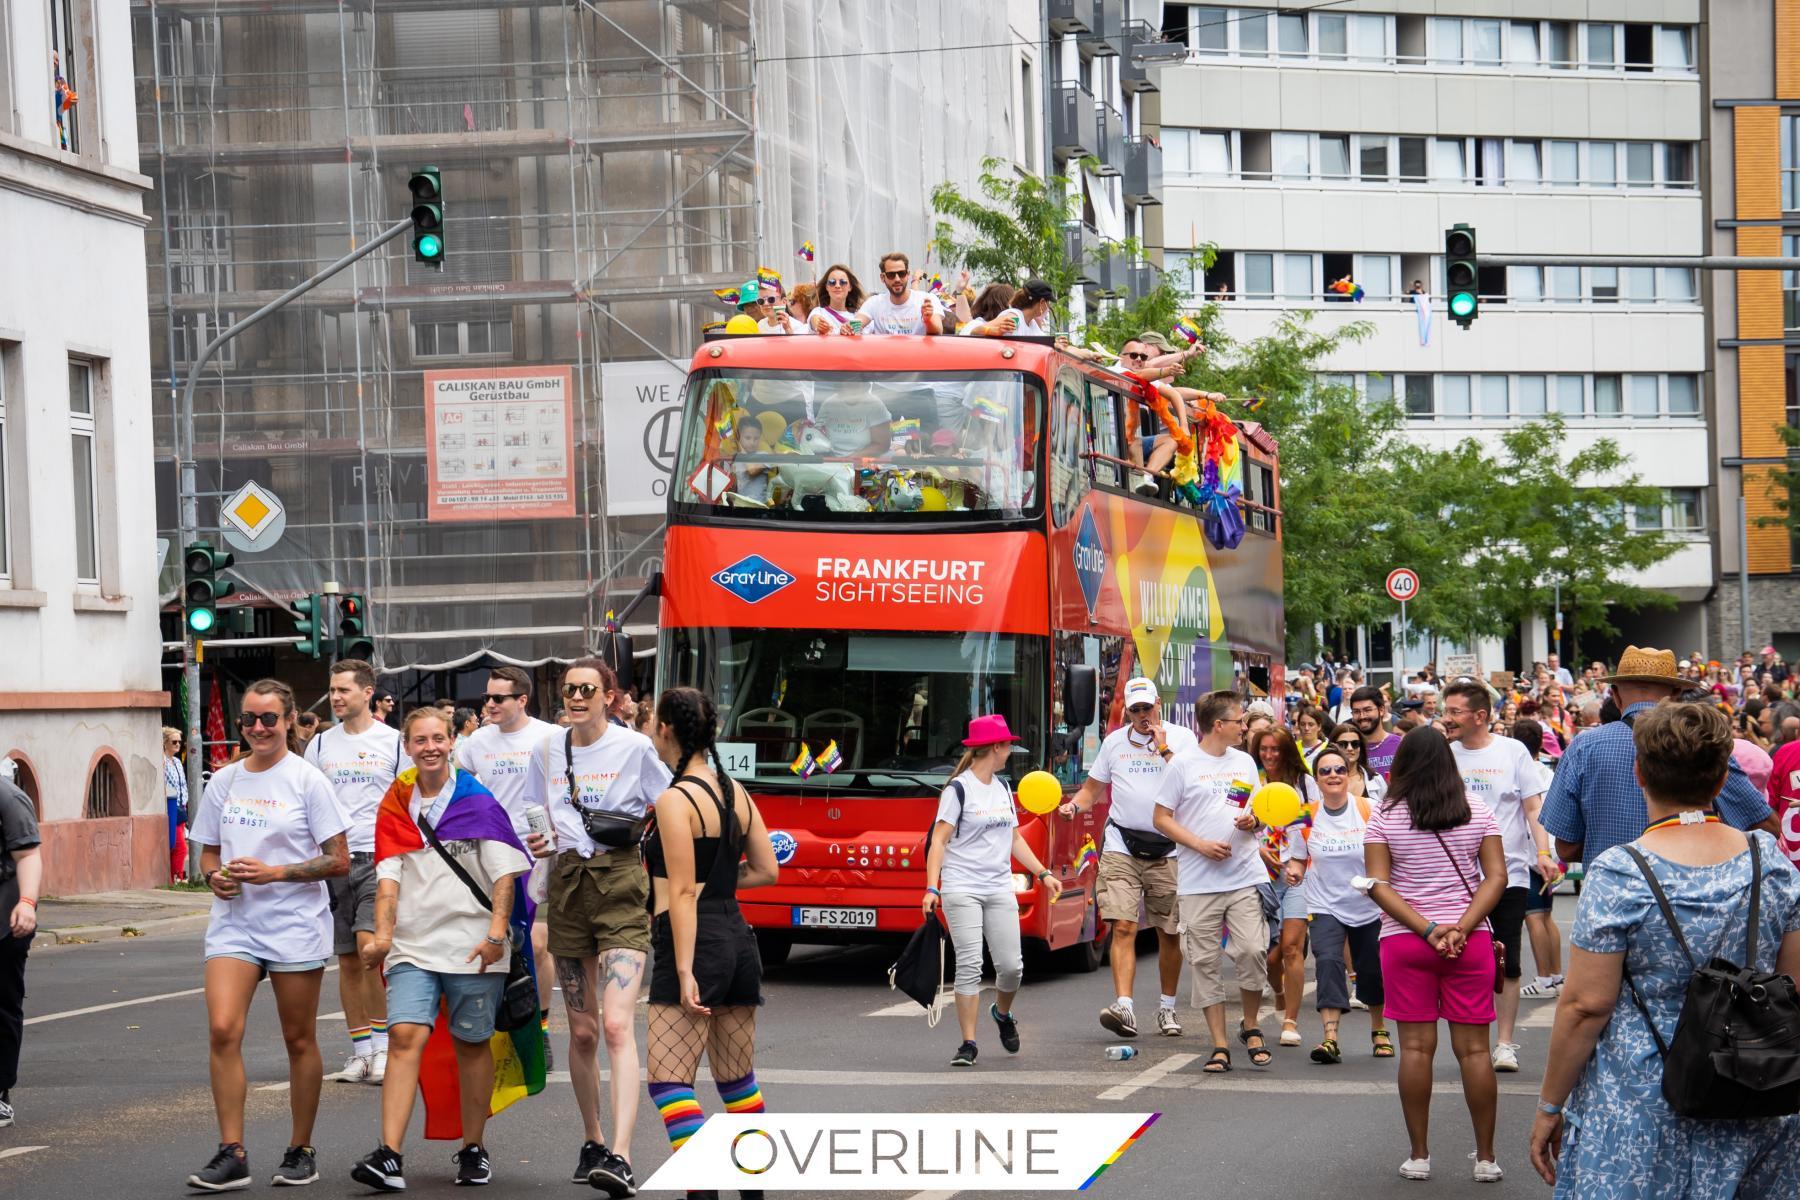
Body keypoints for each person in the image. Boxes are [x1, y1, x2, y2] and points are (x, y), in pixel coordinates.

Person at [1529, 702, 1800, 1197]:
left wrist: (1551, 1104)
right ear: (1721, 781)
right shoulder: (1773, 866)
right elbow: (1793, 986)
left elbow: (1586, 1005)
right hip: (1752, 1093)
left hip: (1640, 1099)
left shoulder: (1620, 873)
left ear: (1640, 774)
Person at [352, 708, 533, 1192]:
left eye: (438, 738)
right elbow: (387, 881)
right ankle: (389, 1154)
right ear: (407, 748)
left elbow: (503, 875)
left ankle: (473, 1148)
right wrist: (384, 938)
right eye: (419, 740)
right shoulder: (395, 803)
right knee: (405, 1037)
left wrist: (496, 935)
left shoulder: (477, 800)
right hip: (412, 947)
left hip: (474, 948)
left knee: (472, 1045)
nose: (429, 747)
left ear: (452, 741)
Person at [187, 679, 351, 1191]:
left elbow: (339, 859)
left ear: (288, 720)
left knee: (298, 1039)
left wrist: (275, 874)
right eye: (249, 720)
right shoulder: (225, 781)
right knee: (222, 1029)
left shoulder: (307, 780)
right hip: (235, 925)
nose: (259, 728)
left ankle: (301, 1149)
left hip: (293, 926)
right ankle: (231, 1152)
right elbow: (206, 852)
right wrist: (215, 876)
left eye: (269, 719)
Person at [524, 659, 671, 1196]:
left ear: (610, 696)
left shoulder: (633, 748)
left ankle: (623, 1155)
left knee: (614, 1026)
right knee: (582, 1031)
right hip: (566, 885)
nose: (577, 697)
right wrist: (536, 840)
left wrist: (671, 875)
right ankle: (593, 1138)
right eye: (569, 690)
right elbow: (532, 809)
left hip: (621, 883)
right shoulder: (548, 748)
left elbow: (671, 803)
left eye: (588, 689)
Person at [1362, 726, 1507, 1183]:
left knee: (1416, 1049)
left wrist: (1427, 929)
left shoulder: (1384, 815)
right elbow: (1497, 877)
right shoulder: (1476, 810)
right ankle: (1486, 1158)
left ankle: (1419, 1155)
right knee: (1476, 1052)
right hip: (1470, 942)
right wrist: (1461, 927)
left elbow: (1377, 885)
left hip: (1406, 940)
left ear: (1401, 764)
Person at [641, 689, 780, 1166]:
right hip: (737, 937)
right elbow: (766, 870)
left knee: (669, 1082)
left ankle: (702, 1185)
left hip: (694, 940)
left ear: (665, 730)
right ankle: (754, 1185)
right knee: (738, 1082)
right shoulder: (734, 790)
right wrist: (718, 881)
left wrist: (683, 971)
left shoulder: (675, 799)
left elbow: (680, 893)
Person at [1541, 646, 1775, 866]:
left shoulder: (1582, 747)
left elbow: (1566, 849)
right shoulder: (1701, 739)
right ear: (1675, 694)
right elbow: (1766, 827)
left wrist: (1611, 848)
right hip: (1687, 898)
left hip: (1611, 899)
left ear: (1615, 696)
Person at [1058, 677, 1198, 1039]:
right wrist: (1074, 806)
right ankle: (1125, 1007)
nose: (1141, 715)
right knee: (1122, 925)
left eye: (1146, 708)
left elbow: (1194, 785)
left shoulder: (1182, 739)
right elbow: (1091, 790)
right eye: (1134, 709)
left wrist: (1163, 748)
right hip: (1122, 843)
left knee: (1169, 932)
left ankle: (1167, 1009)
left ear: (1157, 706)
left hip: (1168, 847)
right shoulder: (1114, 743)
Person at [923, 715, 1063, 1067]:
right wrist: (932, 887)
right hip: (961, 887)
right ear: (995, 748)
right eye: (1007, 745)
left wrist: (1043, 873)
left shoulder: (1001, 787)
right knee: (969, 965)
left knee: (1011, 967)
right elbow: (938, 841)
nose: (1010, 751)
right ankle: (968, 1043)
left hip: (999, 887)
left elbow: (1013, 838)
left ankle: (1002, 1014)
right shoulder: (958, 790)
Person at [304, 659, 411, 1086]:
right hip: (335, 860)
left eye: (343, 690)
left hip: (379, 858)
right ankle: (361, 1051)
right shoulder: (320, 746)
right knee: (347, 960)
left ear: (368, 693)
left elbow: (410, 799)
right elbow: (307, 802)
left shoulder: (394, 742)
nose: (335, 697)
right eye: (332, 690)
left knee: (371, 952)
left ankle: (385, 1047)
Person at [1153, 690, 1269, 1073]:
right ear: (1219, 725)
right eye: (1240, 720)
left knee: (1252, 950)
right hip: (1198, 882)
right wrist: (1199, 844)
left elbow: (1250, 808)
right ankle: (1219, 1044)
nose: (1245, 726)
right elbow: (1162, 818)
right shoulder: (1183, 765)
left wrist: (1252, 821)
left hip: (1242, 875)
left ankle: (1250, 1025)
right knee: (1204, 963)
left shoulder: (1244, 763)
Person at [1439, 679, 1548, 1073]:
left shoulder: (1513, 751)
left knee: (1507, 961)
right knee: (1466, 959)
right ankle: (1473, 1040)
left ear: (1480, 716)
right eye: (1445, 710)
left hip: (1509, 873)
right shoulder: (1445, 755)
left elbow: (1533, 808)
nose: (1446, 718)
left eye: (1454, 711)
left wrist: (1544, 852)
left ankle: (1504, 1043)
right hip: (1457, 877)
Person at [457, 666, 561, 1031]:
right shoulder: (477, 743)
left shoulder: (550, 736)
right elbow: (459, 787)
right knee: (500, 939)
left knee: (536, 944)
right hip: (495, 855)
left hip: (540, 853)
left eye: (498, 698)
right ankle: (503, 1022)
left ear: (522, 700)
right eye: (486, 697)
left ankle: (541, 1027)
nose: (489, 704)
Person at [1284, 747, 1389, 1063]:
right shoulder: (1305, 814)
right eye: (1325, 771)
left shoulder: (1370, 809)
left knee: (1371, 968)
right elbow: (1298, 858)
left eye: (1339, 770)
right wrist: (1294, 871)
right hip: (1324, 903)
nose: (1333, 775)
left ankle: (1379, 1028)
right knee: (1328, 961)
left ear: (1349, 775)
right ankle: (1330, 1038)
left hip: (1368, 903)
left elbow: (1389, 853)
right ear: (1316, 779)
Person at [1249, 727, 1317, 1047]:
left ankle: (1290, 1021)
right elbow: (1228, 818)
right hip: (1255, 875)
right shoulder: (1246, 778)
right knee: (1268, 956)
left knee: (1291, 947)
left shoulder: (1305, 784)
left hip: (1295, 876)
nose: (1270, 755)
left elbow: (1313, 831)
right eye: (1264, 749)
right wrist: (1258, 850)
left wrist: (1300, 865)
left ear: (1287, 750)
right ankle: (1277, 991)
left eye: (1276, 749)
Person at [1510, 719, 1566, 1001]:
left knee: (1534, 919)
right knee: (1546, 917)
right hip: (1549, 853)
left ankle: (1544, 978)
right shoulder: (1547, 772)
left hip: (1532, 852)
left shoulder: (1520, 771)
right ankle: (1556, 975)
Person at [0, 773, 41, 1130]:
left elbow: (28, 855)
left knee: (2, 1005)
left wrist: (27, 903)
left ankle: (0, 1092)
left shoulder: (8, 797)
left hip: (5, 919)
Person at [856, 252, 943, 335]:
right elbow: (856, 323)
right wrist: (849, 327)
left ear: (908, 275)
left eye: (902, 273)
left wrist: (928, 321)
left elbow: (938, 332)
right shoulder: (874, 302)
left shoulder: (927, 299)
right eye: (891, 275)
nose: (897, 279)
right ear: (882, 277)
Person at [1350, 686, 1403, 779]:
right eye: (1356, 712)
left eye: (1367, 710)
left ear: (1381, 710)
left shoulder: (1400, 745)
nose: (1362, 716)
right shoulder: (1349, 749)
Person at [1329, 722, 1387, 803]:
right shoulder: (1323, 779)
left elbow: (1386, 812)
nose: (1350, 748)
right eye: (1343, 744)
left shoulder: (1376, 779)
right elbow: (1308, 811)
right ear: (1333, 747)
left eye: (1355, 744)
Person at [165, 726, 191, 884]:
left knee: (176, 845)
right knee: (180, 847)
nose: (177, 745)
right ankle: (177, 877)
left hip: (181, 809)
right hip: (170, 807)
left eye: (180, 742)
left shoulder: (176, 762)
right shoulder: (162, 761)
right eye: (174, 741)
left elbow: (183, 784)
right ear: (164, 743)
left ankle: (174, 877)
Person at [808, 264, 866, 334]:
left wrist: (849, 330)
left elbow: (862, 333)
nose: (837, 286)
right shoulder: (818, 311)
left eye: (843, 282)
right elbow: (815, 320)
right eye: (832, 282)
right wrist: (820, 325)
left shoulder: (858, 316)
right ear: (827, 287)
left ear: (850, 287)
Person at [729, 415, 772, 504]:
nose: (752, 442)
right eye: (748, 438)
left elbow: (752, 470)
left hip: (758, 506)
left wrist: (740, 448)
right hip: (740, 505)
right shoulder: (736, 459)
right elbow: (733, 487)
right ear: (739, 436)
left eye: (756, 438)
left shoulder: (764, 456)